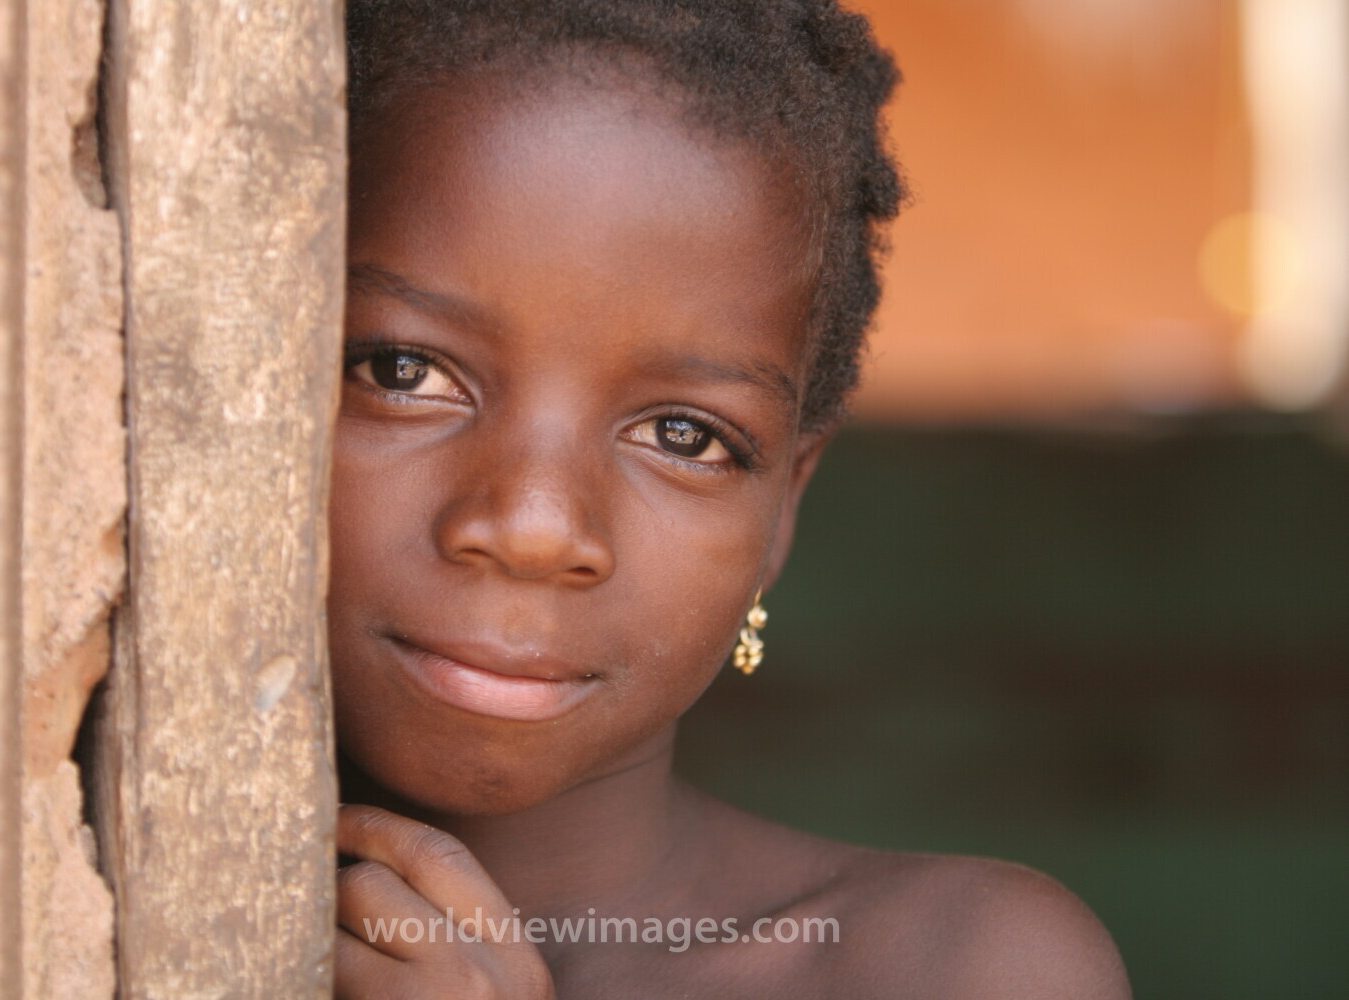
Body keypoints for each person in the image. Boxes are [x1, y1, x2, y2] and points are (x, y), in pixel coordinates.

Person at [327, 1, 1130, 996]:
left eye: (685, 436)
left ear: (783, 508)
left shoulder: (951, 965)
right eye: (404, 370)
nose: (535, 528)